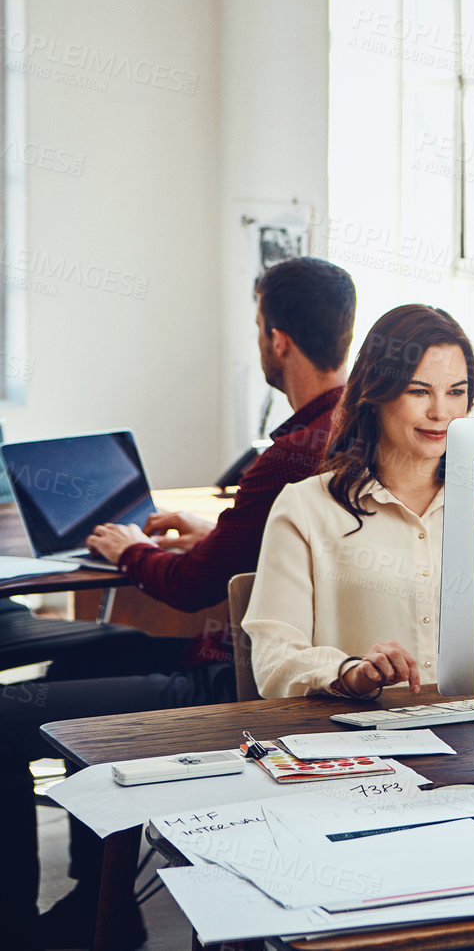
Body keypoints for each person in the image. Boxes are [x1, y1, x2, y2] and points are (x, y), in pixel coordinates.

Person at [0, 255, 355, 951]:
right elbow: (269, 546)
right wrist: (208, 532)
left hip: (226, 687)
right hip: (259, 669)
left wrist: (128, 548)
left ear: (277, 339)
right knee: (75, 676)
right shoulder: (345, 428)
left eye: (258, 328)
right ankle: (95, 905)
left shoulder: (286, 457)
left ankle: (14, 930)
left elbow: (191, 589)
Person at [243, 303, 474, 700]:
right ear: (376, 395)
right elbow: (273, 661)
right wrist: (349, 672)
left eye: (456, 392)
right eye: (419, 391)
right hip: (362, 745)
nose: (441, 412)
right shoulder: (305, 508)